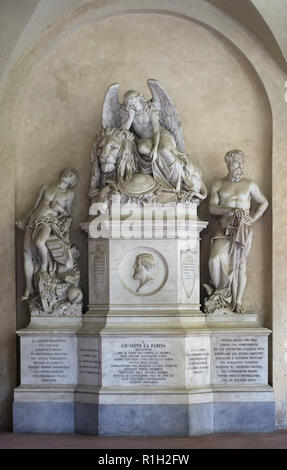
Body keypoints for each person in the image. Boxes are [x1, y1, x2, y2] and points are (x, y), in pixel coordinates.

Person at [204, 149, 268, 314]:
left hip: (242, 229)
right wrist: (230, 209)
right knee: (215, 258)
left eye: (241, 162)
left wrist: (252, 219)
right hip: (223, 229)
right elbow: (212, 208)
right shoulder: (218, 183)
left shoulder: (249, 184)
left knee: (240, 264)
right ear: (228, 164)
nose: (239, 165)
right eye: (235, 162)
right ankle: (222, 293)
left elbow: (264, 203)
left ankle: (238, 301)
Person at [120, 90, 204, 197]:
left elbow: (156, 131)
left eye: (133, 102)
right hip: (146, 140)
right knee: (141, 148)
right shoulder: (127, 113)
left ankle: (184, 178)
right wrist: (130, 116)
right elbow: (123, 131)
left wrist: (155, 149)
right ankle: (160, 180)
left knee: (163, 150)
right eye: (129, 104)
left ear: (139, 99)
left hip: (161, 136)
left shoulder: (150, 109)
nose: (132, 106)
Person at [16, 168, 79, 301]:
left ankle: (44, 266)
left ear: (72, 182)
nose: (67, 175)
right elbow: (34, 207)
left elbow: (68, 213)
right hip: (34, 220)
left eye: (71, 175)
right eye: (67, 172)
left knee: (40, 242)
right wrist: (25, 219)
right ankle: (28, 287)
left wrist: (60, 209)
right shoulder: (45, 187)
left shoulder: (68, 194)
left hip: (49, 221)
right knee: (26, 252)